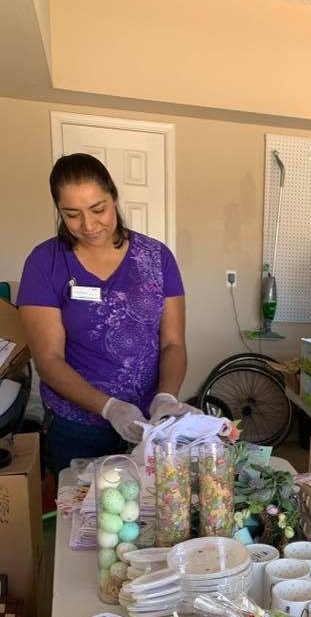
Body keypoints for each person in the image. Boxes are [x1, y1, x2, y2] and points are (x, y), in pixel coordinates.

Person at [17, 153, 194, 474]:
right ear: (59, 211)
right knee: (83, 518)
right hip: (77, 428)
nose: (88, 225)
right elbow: (49, 359)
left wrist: (166, 397)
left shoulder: (156, 257)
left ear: (114, 197)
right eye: (72, 214)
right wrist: (109, 408)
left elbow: (173, 343)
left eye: (98, 209)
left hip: (149, 426)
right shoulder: (45, 263)